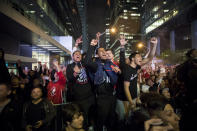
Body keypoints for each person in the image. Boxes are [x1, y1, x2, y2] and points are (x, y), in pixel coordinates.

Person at [85, 37, 119, 131]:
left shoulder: (111, 64)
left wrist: (119, 71)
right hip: (102, 98)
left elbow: (119, 76)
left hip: (112, 96)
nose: (104, 52)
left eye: (105, 51)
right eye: (101, 51)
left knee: (111, 120)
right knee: (100, 120)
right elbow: (87, 62)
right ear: (97, 55)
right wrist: (92, 46)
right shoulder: (96, 64)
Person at [66, 36, 95, 128]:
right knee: (83, 118)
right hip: (79, 98)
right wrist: (76, 73)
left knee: (92, 116)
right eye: (76, 54)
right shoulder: (70, 66)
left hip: (90, 96)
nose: (78, 54)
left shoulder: (84, 63)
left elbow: (89, 56)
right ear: (73, 57)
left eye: (79, 53)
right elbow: (70, 78)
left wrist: (92, 46)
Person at [123, 37, 158, 112]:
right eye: (138, 56)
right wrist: (130, 101)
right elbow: (126, 87)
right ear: (132, 59)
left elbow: (149, 58)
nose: (141, 58)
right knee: (125, 118)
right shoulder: (127, 70)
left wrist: (154, 45)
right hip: (125, 99)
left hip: (134, 97)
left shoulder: (137, 67)